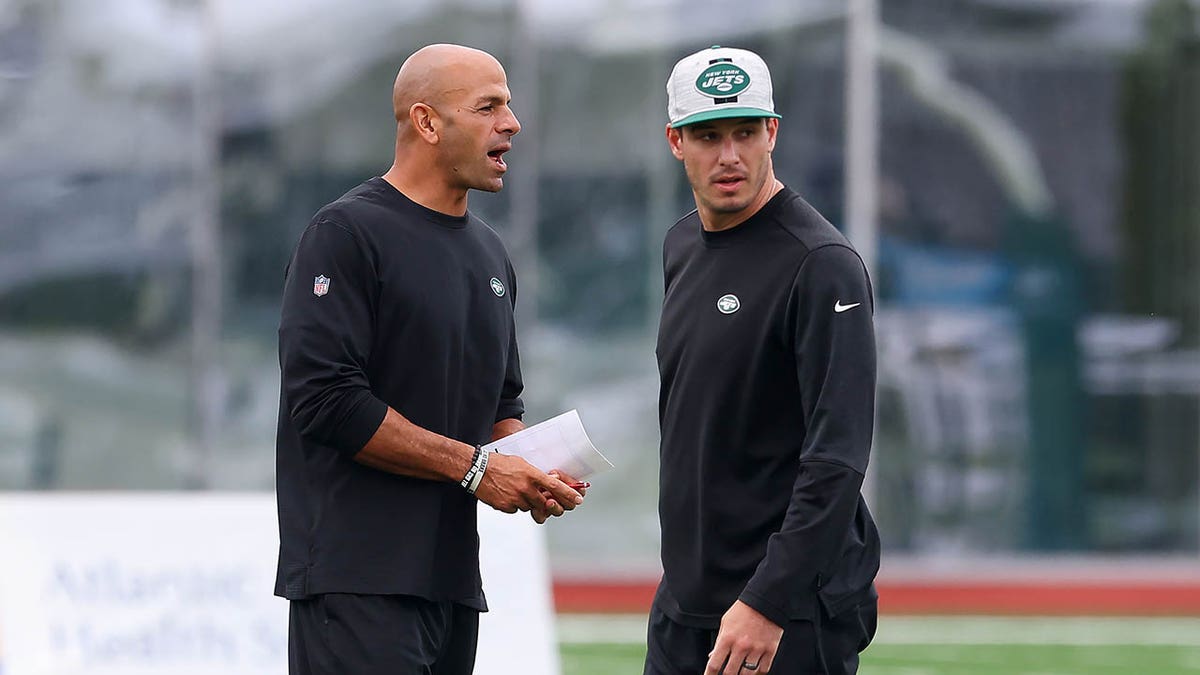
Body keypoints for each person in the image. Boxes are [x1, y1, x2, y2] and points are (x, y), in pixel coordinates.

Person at [273, 43, 585, 675]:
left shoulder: (491, 255)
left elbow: (500, 406)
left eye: (510, 105)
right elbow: (326, 402)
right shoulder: (345, 235)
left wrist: (534, 467)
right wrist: (476, 470)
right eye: (489, 106)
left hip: (450, 585)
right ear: (426, 122)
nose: (512, 123)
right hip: (356, 581)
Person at [646, 46, 881, 675]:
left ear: (771, 132)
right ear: (676, 141)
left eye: (746, 133)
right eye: (708, 135)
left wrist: (769, 600)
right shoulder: (680, 245)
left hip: (782, 615)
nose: (729, 156)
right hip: (684, 605)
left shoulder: (822, 263)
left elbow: (837, 456)